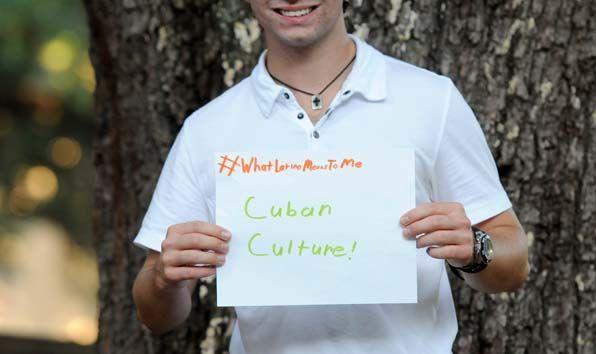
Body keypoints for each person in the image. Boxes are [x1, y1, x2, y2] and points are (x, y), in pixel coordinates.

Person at [131, 1, 529, 353]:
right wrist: (166, 279)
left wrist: (476, 248)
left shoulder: (431, 100)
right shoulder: (207, 129)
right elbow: (156, 316)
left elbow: (514, 263)